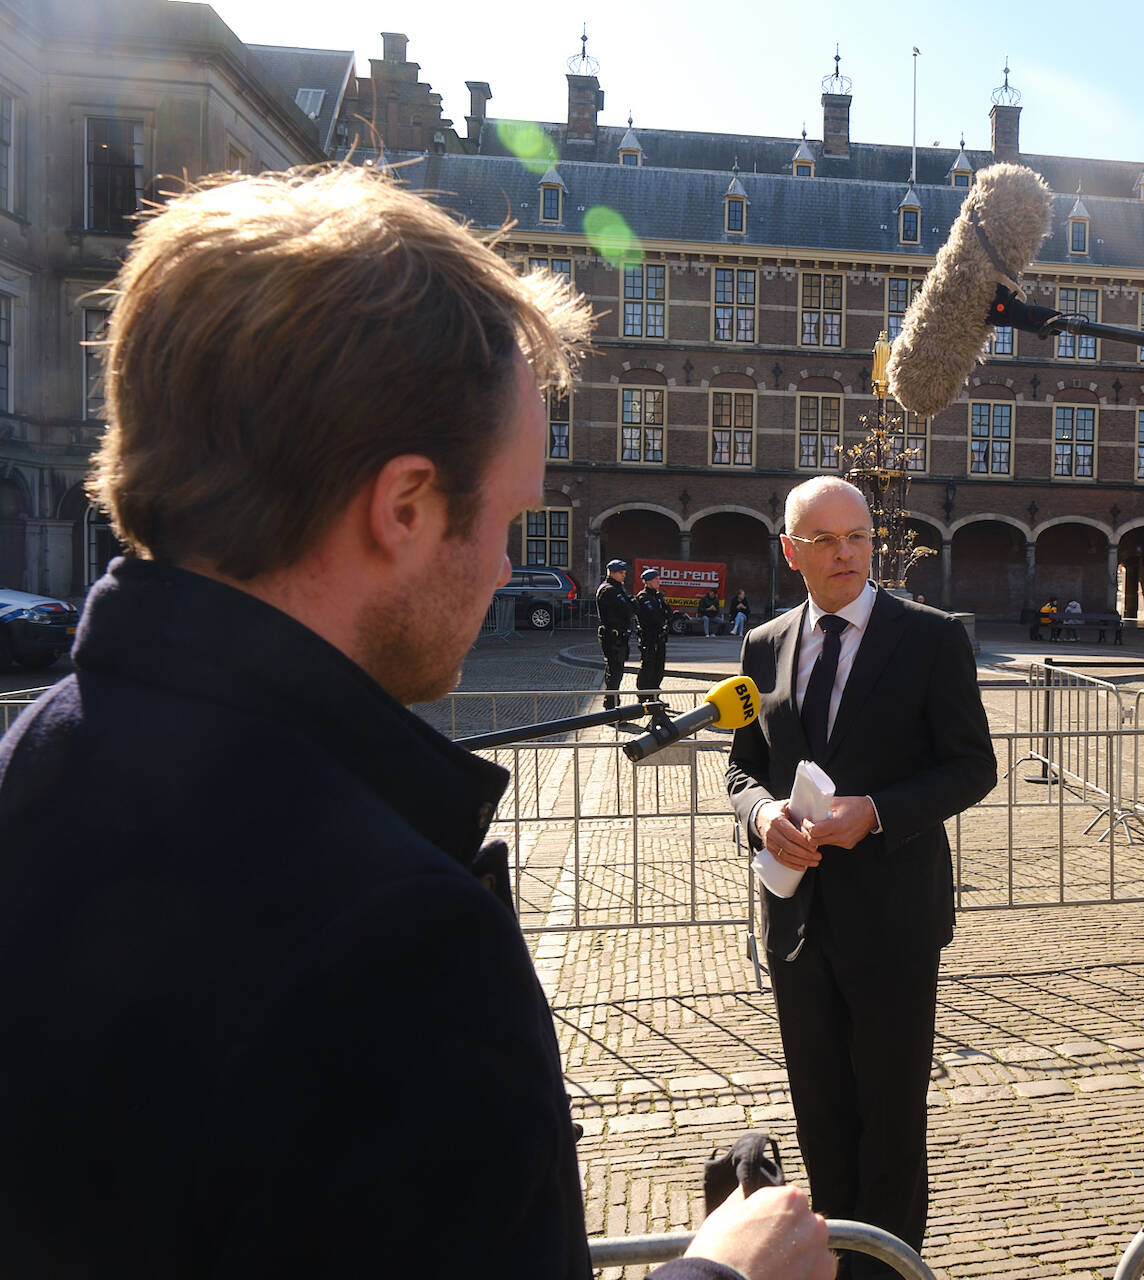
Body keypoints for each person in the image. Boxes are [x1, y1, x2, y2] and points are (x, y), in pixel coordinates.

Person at [0, 166, 831, 1280]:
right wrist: (724, 1273)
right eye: (505, 517)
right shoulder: (400, 947)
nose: (504, 564)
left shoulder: (29, 770)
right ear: (402, 506)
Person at [726, 476, 996, 1279]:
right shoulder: (763, 646)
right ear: (790, 552)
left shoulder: (931, 638)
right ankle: (835, 1260)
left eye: (859, 538)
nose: (846, 554)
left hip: (892, 921)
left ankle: (889, 1269)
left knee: (889, 1120)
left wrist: (874, 810)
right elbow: (743, 769)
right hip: (797, 923)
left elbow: (972, 768)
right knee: (820, 1115)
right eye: (825, 541)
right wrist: (759, 815)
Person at [598, 559, 634, 710]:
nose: (624, 575)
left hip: (618, 637)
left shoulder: (617, 588)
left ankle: (612, 705)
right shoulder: (610, 590)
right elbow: (629, 609)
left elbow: (631, 608)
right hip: (613, 637)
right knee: (614, 674)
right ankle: (611, 707)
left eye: (625, 573)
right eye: (621, 573)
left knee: (616, 672)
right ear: (612, 573)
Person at [633, 565, 671, 692]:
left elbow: (668, 613)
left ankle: (655, 692)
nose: (658, 582)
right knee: (648, 666)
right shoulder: (643, 597)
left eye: (658, 579)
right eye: (656, 580)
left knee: (659, 667)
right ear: (648, 582)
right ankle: (643, 693)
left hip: (660, 637)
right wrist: (662, 613)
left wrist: (663, 613)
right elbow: (655, 617)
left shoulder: (658, 596)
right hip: (649, 637)